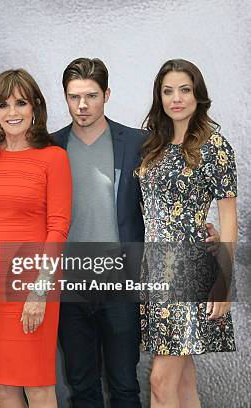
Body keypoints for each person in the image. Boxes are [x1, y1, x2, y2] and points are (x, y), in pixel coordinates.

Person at [137, 59, 237, 407]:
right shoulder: (154, 146)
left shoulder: (215, 147)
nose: (176, 98)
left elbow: (228, 222)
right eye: (168, 91)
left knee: (160, 383)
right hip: (155, 272)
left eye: (184, 89)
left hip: (191, 271)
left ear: (198, 95)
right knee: (183, 383)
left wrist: (223, 283)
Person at [0, 69, 71, 407]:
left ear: (35, 108)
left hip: (31, 281)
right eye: (3, 105)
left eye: (20, 103)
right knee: (1, 387)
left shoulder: (53, 157)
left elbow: (58, 226)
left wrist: (40, 290)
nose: (12, 112)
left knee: (38, 385)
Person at [52, 57, 146, 408]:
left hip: (120, 283)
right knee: (82, 386)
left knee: (124, 386)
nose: (82, 105)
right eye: (74, 96)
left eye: (91, 95)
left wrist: (201, 227)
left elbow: (162, 201)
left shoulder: (137, 143)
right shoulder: (50, 147)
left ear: (106, 94)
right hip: (70, 286)